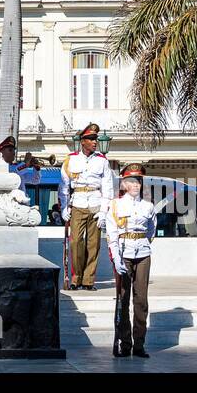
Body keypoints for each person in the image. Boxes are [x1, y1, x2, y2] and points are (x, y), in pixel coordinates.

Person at [106, 163, 156, 358]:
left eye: (139, 181)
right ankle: (124, 343)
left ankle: (139, 344)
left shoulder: (148, 206)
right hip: (123, 252)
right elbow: (111, 232)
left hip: (142, 252)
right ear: (125, 184)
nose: (137, 185)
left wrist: (143, 242)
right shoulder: (115, 205)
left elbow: (151, 230)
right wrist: (116, 256)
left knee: (141, 300)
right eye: (133, 181)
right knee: (123, 299)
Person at [57, 123, 114, 291]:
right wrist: (64, 207)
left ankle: (89, 280)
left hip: (96, 203)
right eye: (90, 139)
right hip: (78, 202)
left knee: (93, 244)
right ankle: (76, 278)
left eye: (95, 139)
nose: (94, 142)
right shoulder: (71, 160)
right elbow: (64, 187)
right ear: (82, 141)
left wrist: (104, 211)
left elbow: (108, 188)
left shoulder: (102, 161)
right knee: (75, 242)